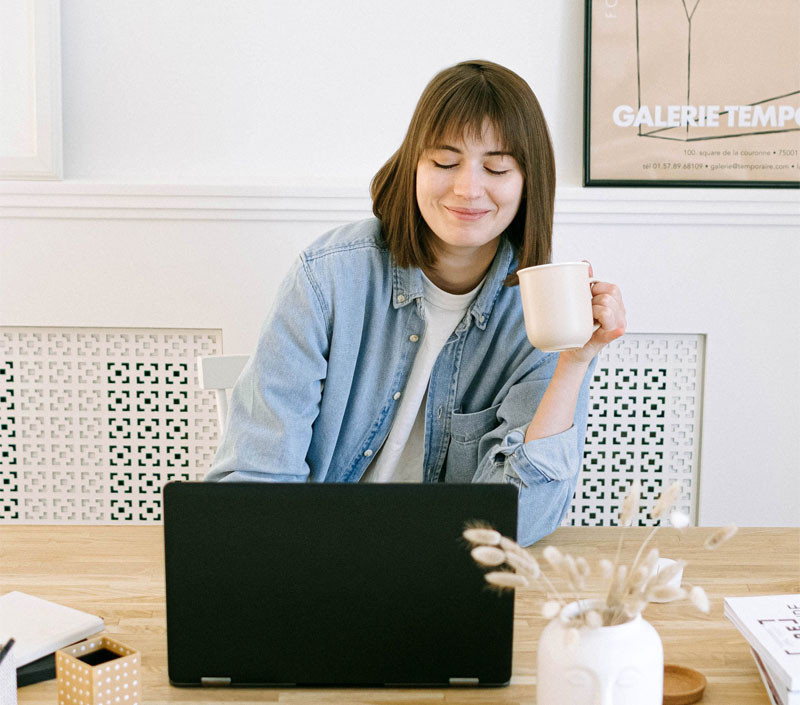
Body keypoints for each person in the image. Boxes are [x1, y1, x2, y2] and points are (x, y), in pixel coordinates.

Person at [205, 59, 626, 546]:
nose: (468, 189)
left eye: (496, 167)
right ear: (413, 166)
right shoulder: (328, 276)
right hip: (313, 554)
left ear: (528, 181)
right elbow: (256, 484)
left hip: (446, 571)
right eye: (445, 162)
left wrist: (573, 361)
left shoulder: (546, 309)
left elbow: (518, 523)